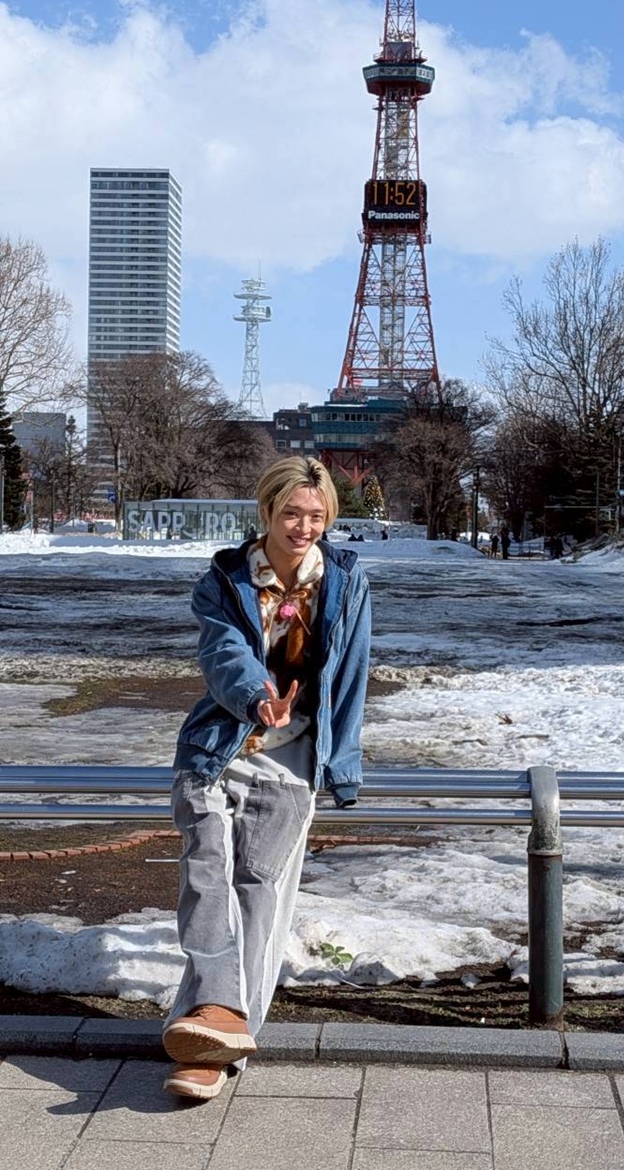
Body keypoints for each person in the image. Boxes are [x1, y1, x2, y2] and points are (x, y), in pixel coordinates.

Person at [162, 457, 371, 1101]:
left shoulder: (345, 580)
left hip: (294, 757)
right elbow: (222, 653)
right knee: (205, 873)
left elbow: (354, 672)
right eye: (291, 514)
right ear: (266, 512)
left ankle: (219, 1045)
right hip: (221, 744)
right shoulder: (223, 580)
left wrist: (343, 764)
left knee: (261, 894)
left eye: (317, 516)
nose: (304, 527)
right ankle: (219, 1012)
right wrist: (258, 696)